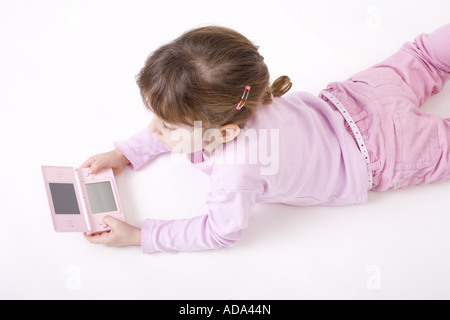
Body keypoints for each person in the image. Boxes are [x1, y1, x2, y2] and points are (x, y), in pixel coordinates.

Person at [81, 24, 450, 254]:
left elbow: (219, 231)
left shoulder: (236, 169)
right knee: (424, 56)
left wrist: (139, 237)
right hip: (361, 96)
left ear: (225, 132)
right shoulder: (244, 97)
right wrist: (127, 152)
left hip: (387, 152)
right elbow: (187, 131)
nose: (153, 132)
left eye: (168, 126)